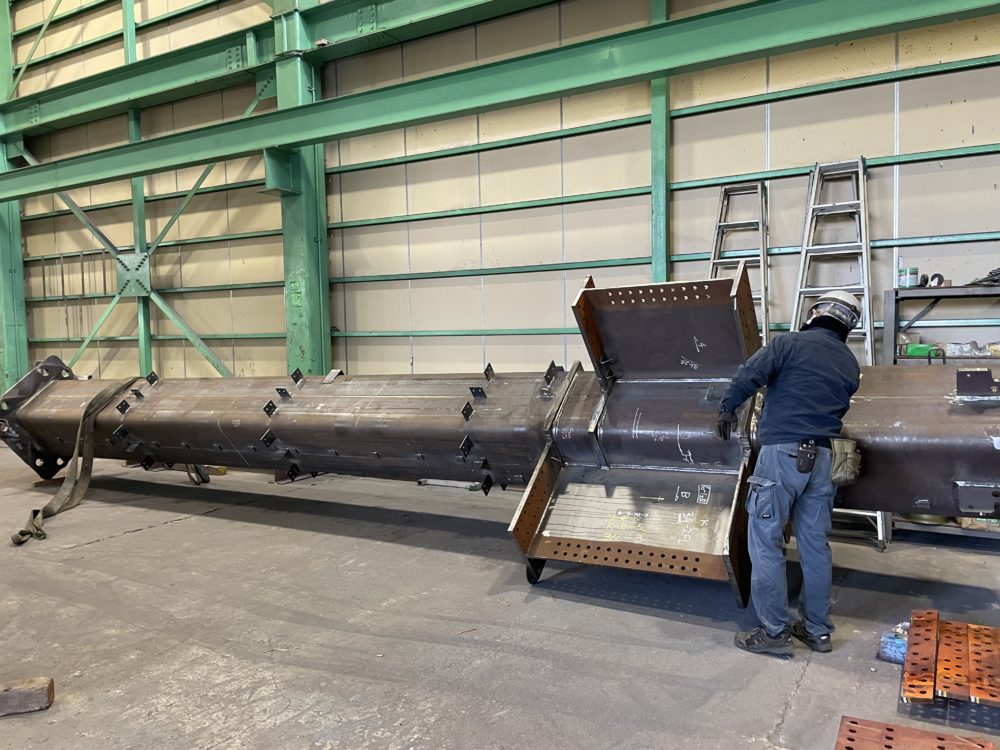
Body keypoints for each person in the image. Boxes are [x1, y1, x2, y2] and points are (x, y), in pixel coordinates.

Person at [716, 291, 862, 658]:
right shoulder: (849, 362)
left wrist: (727, 407)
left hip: (783, 453)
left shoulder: (790, 344)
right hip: (825, 459)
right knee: (815, 545)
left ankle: (774, 632)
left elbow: (751, 373)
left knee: (766, 541)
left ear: (815, 313)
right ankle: (817, 631)